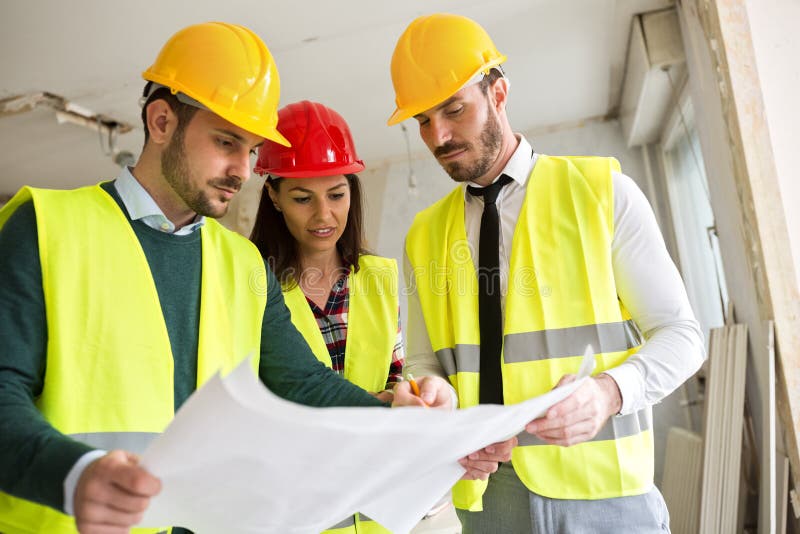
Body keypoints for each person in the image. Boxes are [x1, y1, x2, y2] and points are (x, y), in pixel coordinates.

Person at [0, 22, 498, 534]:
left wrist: (407, 419)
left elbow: (303, 381)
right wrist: (73, 474)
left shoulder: (240, 262)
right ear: (161, 121)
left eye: (252, 150)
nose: (242, 170)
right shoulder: (45, 227)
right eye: (225, 141)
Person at [389, 13, 706, 533]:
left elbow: (682, 336)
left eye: (453, 109)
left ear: (499, 93)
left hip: (604, 494)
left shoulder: (602, 193)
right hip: (488, 497)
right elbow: (427, 360)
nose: (438, 135)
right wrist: (430, 396)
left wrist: (608, 393)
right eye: (422, 120)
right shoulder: (422, 235)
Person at [250, 100, 402, 533]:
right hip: (296, 508)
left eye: (337, 194)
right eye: (302, 198)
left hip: (378, 506)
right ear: (274, 197)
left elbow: (396, 370)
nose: (324, 215)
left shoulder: (380, 278)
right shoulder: (251, 284)